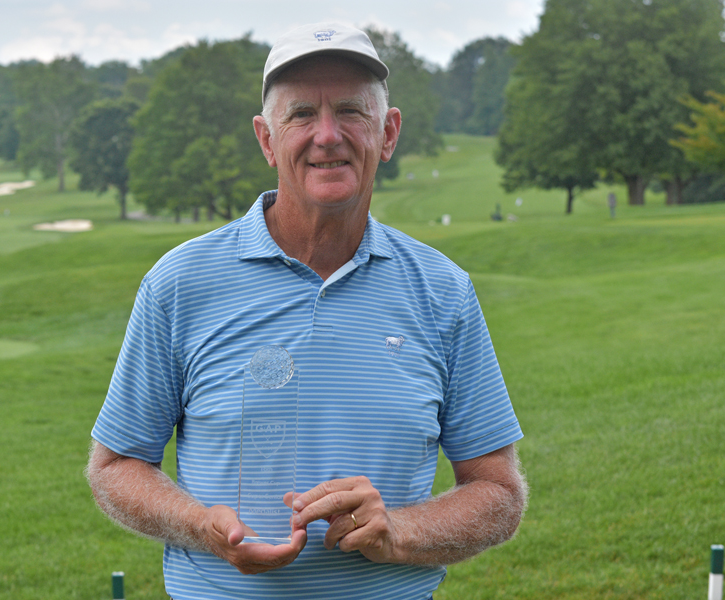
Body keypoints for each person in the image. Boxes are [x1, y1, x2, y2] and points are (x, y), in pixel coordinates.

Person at [87, 22, 527, 600]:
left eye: (350, 111)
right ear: (267, 139)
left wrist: (399, 530)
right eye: (300, 115)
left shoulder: (443, 290)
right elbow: (116, 466)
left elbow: (498, 491)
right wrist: (201, 527)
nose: (327, 136)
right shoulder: (179, 283)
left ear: (387, 133)